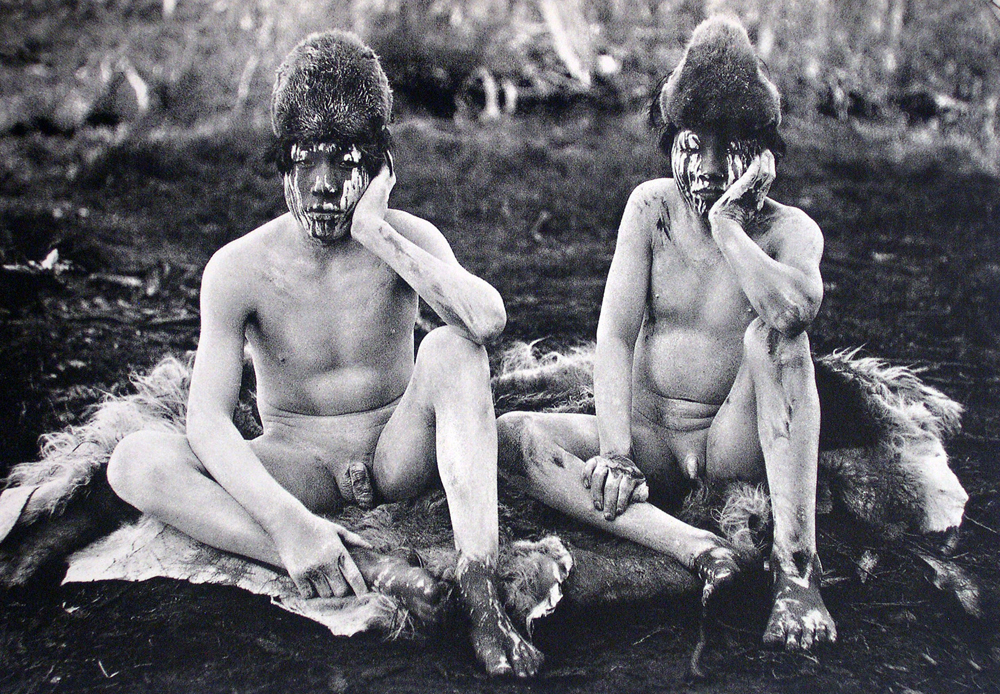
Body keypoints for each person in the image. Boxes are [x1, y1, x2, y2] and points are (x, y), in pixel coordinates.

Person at [106, 30, 544, 677]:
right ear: (282, 163)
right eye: (305, 162)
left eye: (344, 162)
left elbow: (485, 321)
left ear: (377, 168)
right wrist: (288, 525)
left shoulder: (407, 237)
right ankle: (361, 560)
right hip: (298, 463)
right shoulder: (238, 267)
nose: (322, 186)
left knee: (455, 349)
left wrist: (376, 230)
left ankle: (481, 590)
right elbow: (206, 420)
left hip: (399, 452)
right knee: (135, 460)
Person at [498, 15, 836, 652]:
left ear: (763, 155)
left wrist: (730, 226)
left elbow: (793, 317)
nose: (706, 166)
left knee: (775, 339)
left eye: (728, 146)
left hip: (729, 444)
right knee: (519, 437)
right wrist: (618, 451)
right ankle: (696, 548)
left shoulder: (791, 232)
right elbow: (616, 335)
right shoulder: (650, 208)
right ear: (671, 139)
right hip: (651, 439)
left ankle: (797, 573)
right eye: (692, 143)